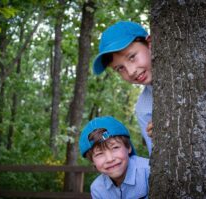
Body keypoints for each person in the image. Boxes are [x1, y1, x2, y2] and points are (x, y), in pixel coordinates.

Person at [92, 21, 153, 155]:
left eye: (132, 57)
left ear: (150, 44)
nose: (131, 72)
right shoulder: (143, 109)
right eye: (120, 68)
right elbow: (156, 154)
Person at [79, 116, 150, 199]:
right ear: (92, 161)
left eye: (115, 148)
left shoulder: (149, 172)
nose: (110, 159)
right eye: (99, 154)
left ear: (129, 147)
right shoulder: (97, 189)